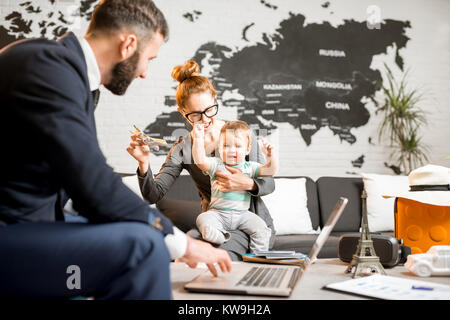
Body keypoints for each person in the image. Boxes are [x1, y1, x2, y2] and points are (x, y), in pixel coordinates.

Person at [0, 0, 231, 300]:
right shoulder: (47, 68)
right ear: (128, 45)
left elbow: (84, 187)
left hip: (30, 221)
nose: (145, 73)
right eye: (149, 58)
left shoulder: (58, 68)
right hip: (11, 228)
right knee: (146, 246)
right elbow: (93, 185)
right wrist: (184, 244)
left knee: (149, 235)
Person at [127, 60, 277, 260]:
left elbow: (269, 182)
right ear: (182, 112)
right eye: (196, 115)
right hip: (215, 221)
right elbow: (153, 195)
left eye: (209, 110)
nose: (205, 119)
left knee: (218, 254)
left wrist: (247, 183)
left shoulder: (241, 134)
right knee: (186, 245)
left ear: (215, 99)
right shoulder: (182, 149)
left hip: (250, 223)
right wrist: (143, 163)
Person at [192, 120, 277, 252]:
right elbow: (200, 160)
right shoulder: (216, 164)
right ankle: (217, 236)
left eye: (237, 146)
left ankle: (258, 255)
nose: (231, 150)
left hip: (243, 215)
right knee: (202, 218)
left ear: (247, 149)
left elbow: (269, 171)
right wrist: (198, 139)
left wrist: (271, 157)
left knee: (262, 228)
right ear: (219, 148)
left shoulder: (250, 167)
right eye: (226, 145)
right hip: (218, 213)